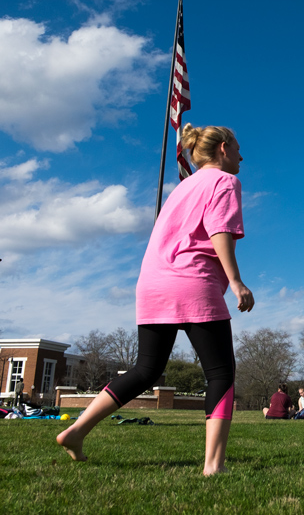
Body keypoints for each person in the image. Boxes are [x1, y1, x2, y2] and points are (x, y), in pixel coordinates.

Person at [57, 124, 254, 476]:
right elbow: (219, 231)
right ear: (223, 148)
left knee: (145, 370)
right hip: (193, 281)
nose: (242, 156)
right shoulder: (225, 182)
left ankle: (76, 429)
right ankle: (213, 465)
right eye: (238, 148)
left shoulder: (181, 189)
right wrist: (237, 281)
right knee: (221, 374)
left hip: (152, 282)